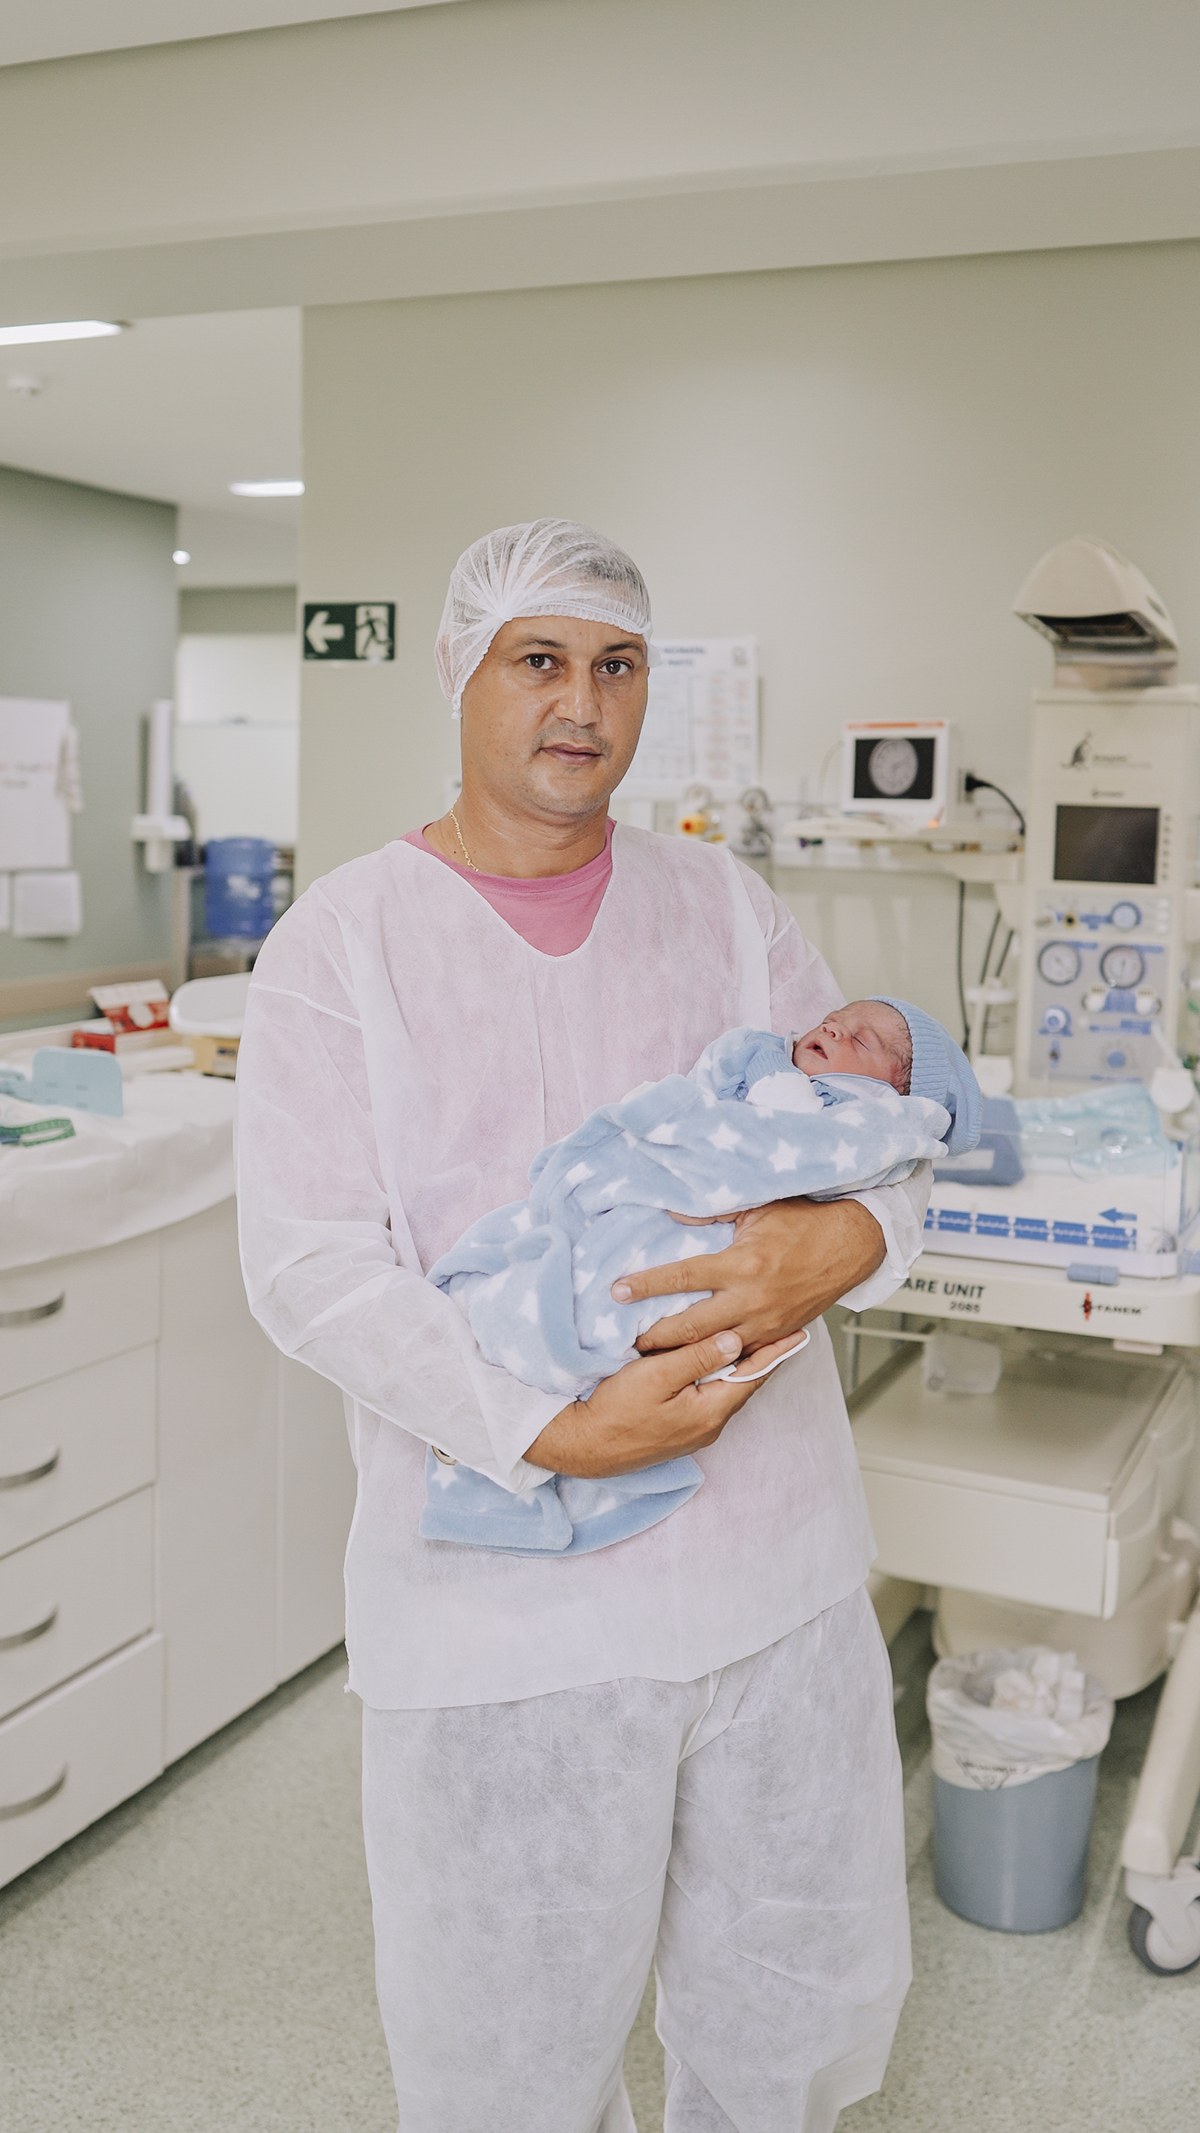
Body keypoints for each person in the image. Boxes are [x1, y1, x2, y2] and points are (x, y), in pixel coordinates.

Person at [236, 518, 933, 2133]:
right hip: (505, 1620)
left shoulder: (726, 908)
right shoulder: (344, 944)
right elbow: (312, 1263)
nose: (582, 702)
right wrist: (550, 1425)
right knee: (511, 2058)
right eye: (539, 659)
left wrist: (844, 1241)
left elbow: (882, 1141)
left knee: (787, 2008)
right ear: (461, 674)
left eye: (618, 665)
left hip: (769, 1578)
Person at [422, 999, 979, 1555]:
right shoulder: (761, 1058)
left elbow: (891, 1168)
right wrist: (565, 1436)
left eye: (860, 1040)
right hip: (623, 1215)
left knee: (599, 1310)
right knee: (540, 1284)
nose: (834, 1028)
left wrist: (847, 1235)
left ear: (896, 1091)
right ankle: (512, 1374)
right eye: (834, 1019)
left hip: (751, 1472)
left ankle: (537, 1354)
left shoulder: (862, 1118)